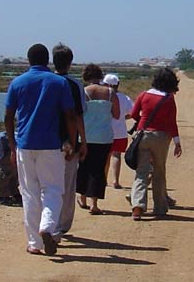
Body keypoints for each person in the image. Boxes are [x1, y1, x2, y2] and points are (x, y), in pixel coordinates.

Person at [4, 43, 77, 256]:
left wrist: (12, 144)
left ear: (28, 60)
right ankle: (47, 227)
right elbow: (70, 116)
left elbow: (8, 116)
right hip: (51, 145)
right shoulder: (59, 82)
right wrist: (72, 142)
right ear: (48, 61)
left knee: (29, 193)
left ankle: (35, 243)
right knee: (53, 190)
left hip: (25, 145)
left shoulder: (17, 82)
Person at [128, 67, 183, 221]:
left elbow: (133, 114)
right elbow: (172, 122)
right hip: (161, 137)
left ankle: (137, 207)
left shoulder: (144, 95)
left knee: (141, 172)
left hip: (143, 135)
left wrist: (143, 120)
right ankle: (159, 208)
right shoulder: (169, 98)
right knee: (159, 171)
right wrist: (177, 142)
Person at [51, 43, 86, 242]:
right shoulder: (74, 85)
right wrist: (82, 142)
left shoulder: (46, 81)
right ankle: (60, 226)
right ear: (70, 63)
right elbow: (79, 117)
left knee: (46, 186)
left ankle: (47, 224)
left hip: (45, 141)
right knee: (66, 186)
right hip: (68, 142)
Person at [76, 65, 118, 214]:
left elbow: (77, 113)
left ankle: (82, 198)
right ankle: (94, 204)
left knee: (83, 167)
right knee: (98, 169)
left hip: (85, 136)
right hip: (104, 137)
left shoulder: (83, 92)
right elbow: (117, 114)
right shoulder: (110, 92)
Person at [103, 74, 132, 189]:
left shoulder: (104, 96)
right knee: (117, 155)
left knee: (106, 156)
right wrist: (123, 118)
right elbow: (133, 112)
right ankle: (116, 180)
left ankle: (104, 179)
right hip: (120, 132)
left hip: (105, 131)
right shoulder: (125, 98)